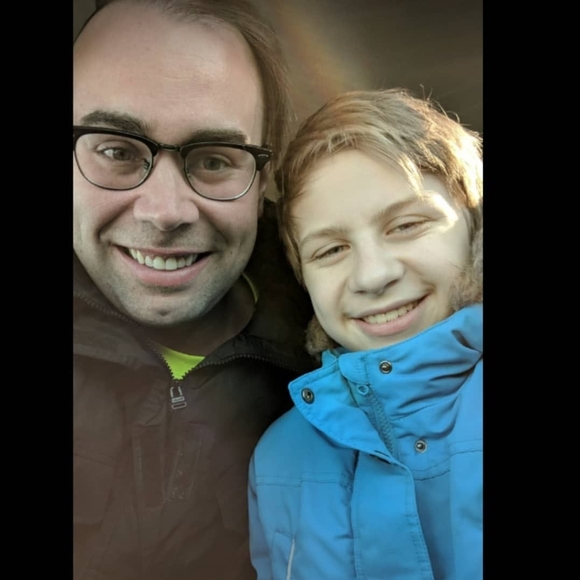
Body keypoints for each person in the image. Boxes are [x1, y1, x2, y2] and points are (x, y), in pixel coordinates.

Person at [73, 1, 314, 578]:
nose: (165, 212)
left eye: (213, 160)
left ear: (263, 180)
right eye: (116, 151)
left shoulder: (352, 373)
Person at [248, 88, 483, 579]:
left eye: (407, 225)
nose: (373, 276)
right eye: (330, 250)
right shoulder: (278, 460)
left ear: (473, 228)